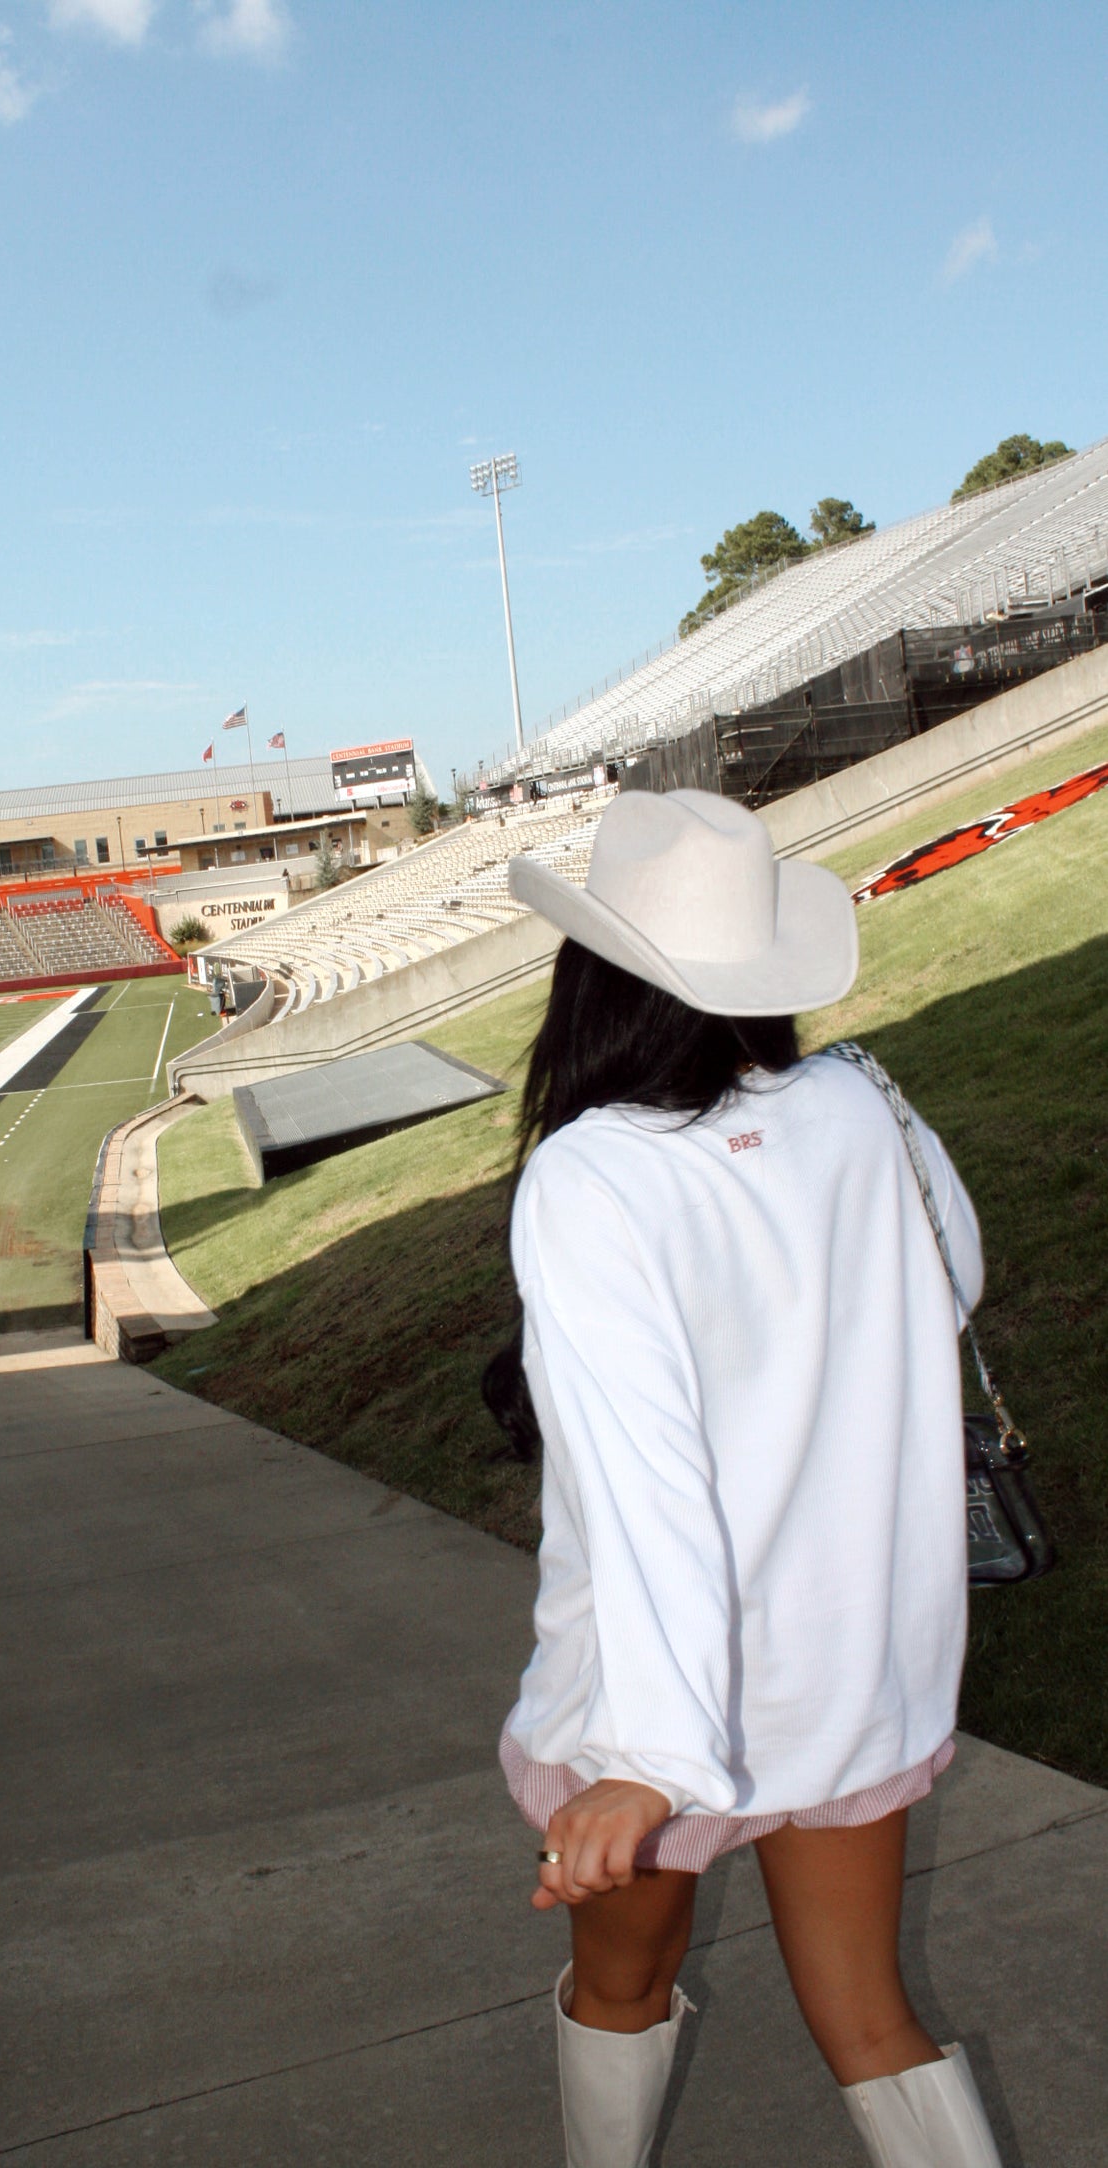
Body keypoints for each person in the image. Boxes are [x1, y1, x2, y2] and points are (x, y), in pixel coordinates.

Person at [490, 789, 1001, 2167]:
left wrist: (650, 1765)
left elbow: (640, 1481)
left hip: (659, 1693)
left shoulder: (592, 1176)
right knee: (871, 2016)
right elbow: (948, 1285)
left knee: (618, 1987)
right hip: (850, 1666)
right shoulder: (862, 1104)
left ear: (587, 970)